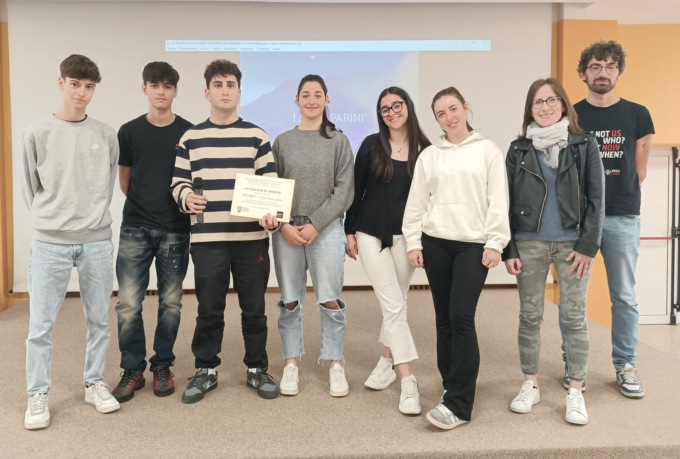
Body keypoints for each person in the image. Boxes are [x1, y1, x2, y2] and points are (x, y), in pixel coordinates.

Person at [170, 59, 279, 404]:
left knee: (255, 309)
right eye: (218, 85)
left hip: (251, 239)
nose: (225, 91)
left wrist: (272, 216)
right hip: (208, 240)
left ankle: (257, 367)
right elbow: (178, 183)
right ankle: (206, 369)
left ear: (240, 91)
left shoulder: (257, 136)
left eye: (230, 84)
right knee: (209, 309)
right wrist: (187, 198)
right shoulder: (191, 138)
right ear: (207, 92)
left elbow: (270, 185)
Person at [22, 54, 121, 430]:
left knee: (99, 320)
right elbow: (30, 188)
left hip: (96, 241)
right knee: (40, 325)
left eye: (89, 86)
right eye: (76, 84)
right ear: (61, 82)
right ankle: (37, 393)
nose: (82, 92)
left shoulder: (105, 134)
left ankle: (94, 383)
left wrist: (90, 220)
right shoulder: (37, 132)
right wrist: (52, 222)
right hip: (50, 243)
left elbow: (106, 185)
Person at [402, 87, 510, 430]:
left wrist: (495, 243)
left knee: (462, 315)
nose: (449, 117)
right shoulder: (430, 155)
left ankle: (459, 406)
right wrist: (413, 242)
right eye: (441, 114)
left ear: (466, 107)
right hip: (436, 243)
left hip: (472, 245)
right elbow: (417, 202)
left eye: (453, 109)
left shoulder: (488, 151)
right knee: (444, 318)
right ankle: (451, 383)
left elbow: (498, 201)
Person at [504, 78, 604, 425]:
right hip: (528, 243)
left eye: (550, 100)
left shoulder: (584, 144)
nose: (544, 107)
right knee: (530, 315)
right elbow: (505, 202)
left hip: (572, 245)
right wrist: (509, 248)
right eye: (537, 102)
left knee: (573, 316)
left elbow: (597, 199)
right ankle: (530, 383)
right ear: (529, 109)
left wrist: (588, 246)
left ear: (563, 104)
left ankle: (575, 390)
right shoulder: (518, 149)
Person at [561, 40, 655, 399]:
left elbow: (639, 170)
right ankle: (573, 364)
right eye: (596, 67)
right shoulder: (572, 115)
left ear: (619, 71)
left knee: (624, 296)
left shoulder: (638, 114)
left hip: (622, 215)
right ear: (583, 73)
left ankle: (626, 364)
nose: (603, 72)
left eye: (610, 66)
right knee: (573, 298)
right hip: (578, 221)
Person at [345, 87, 430, 414]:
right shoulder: (370, 144)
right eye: (385, 108)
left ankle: (386, 360)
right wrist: (349, 229)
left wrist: (422, 241)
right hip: (370, 233)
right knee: (393, 304)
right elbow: (357, 190)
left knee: (399, 300)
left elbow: (430, 200)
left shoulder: (426, 150)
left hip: (407, 237)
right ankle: (408, 380)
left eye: (397, 105)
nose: (392, 112)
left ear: (408, 106)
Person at [111, 62, 193, 403]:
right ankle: (132, 369)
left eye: (167, 86)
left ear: (175, 91)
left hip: (176, 228)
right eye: (155, 85)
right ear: (144, 88)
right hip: (135, 227)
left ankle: (162, 366)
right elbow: (126, 181)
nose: (161, 91)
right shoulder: (129, 131)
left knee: (170, 303)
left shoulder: (189, 133)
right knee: (128, 303)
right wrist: (145, 206)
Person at [272, 74, 354, 398]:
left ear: (327, 99)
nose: (311, 100)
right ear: (296, 100)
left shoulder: (339, 141)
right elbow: (272, 188)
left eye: (317, 94)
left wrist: (316, 224)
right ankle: (291, 361)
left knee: (329, 299)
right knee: (290, 300)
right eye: (305, 94)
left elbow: (343, 191)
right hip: (287, 231)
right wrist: (283, 225)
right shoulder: (282, 142)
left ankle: (335, 362)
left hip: (327, 230)